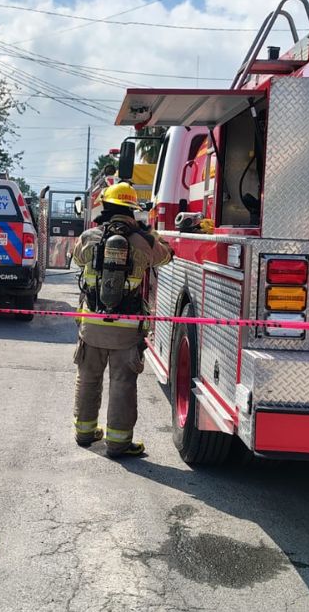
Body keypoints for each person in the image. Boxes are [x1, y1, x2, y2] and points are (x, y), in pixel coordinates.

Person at [72, 182, 172, 458]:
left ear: (105, 205)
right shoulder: (144, 241)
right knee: (122, 384)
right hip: (126, 329)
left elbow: (77, 260)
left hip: (91, 324)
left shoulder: (89, 236)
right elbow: (166, 257)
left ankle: (84, 432)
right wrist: (152, 234)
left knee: (88, 378)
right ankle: (118, 443)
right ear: (132, 209)